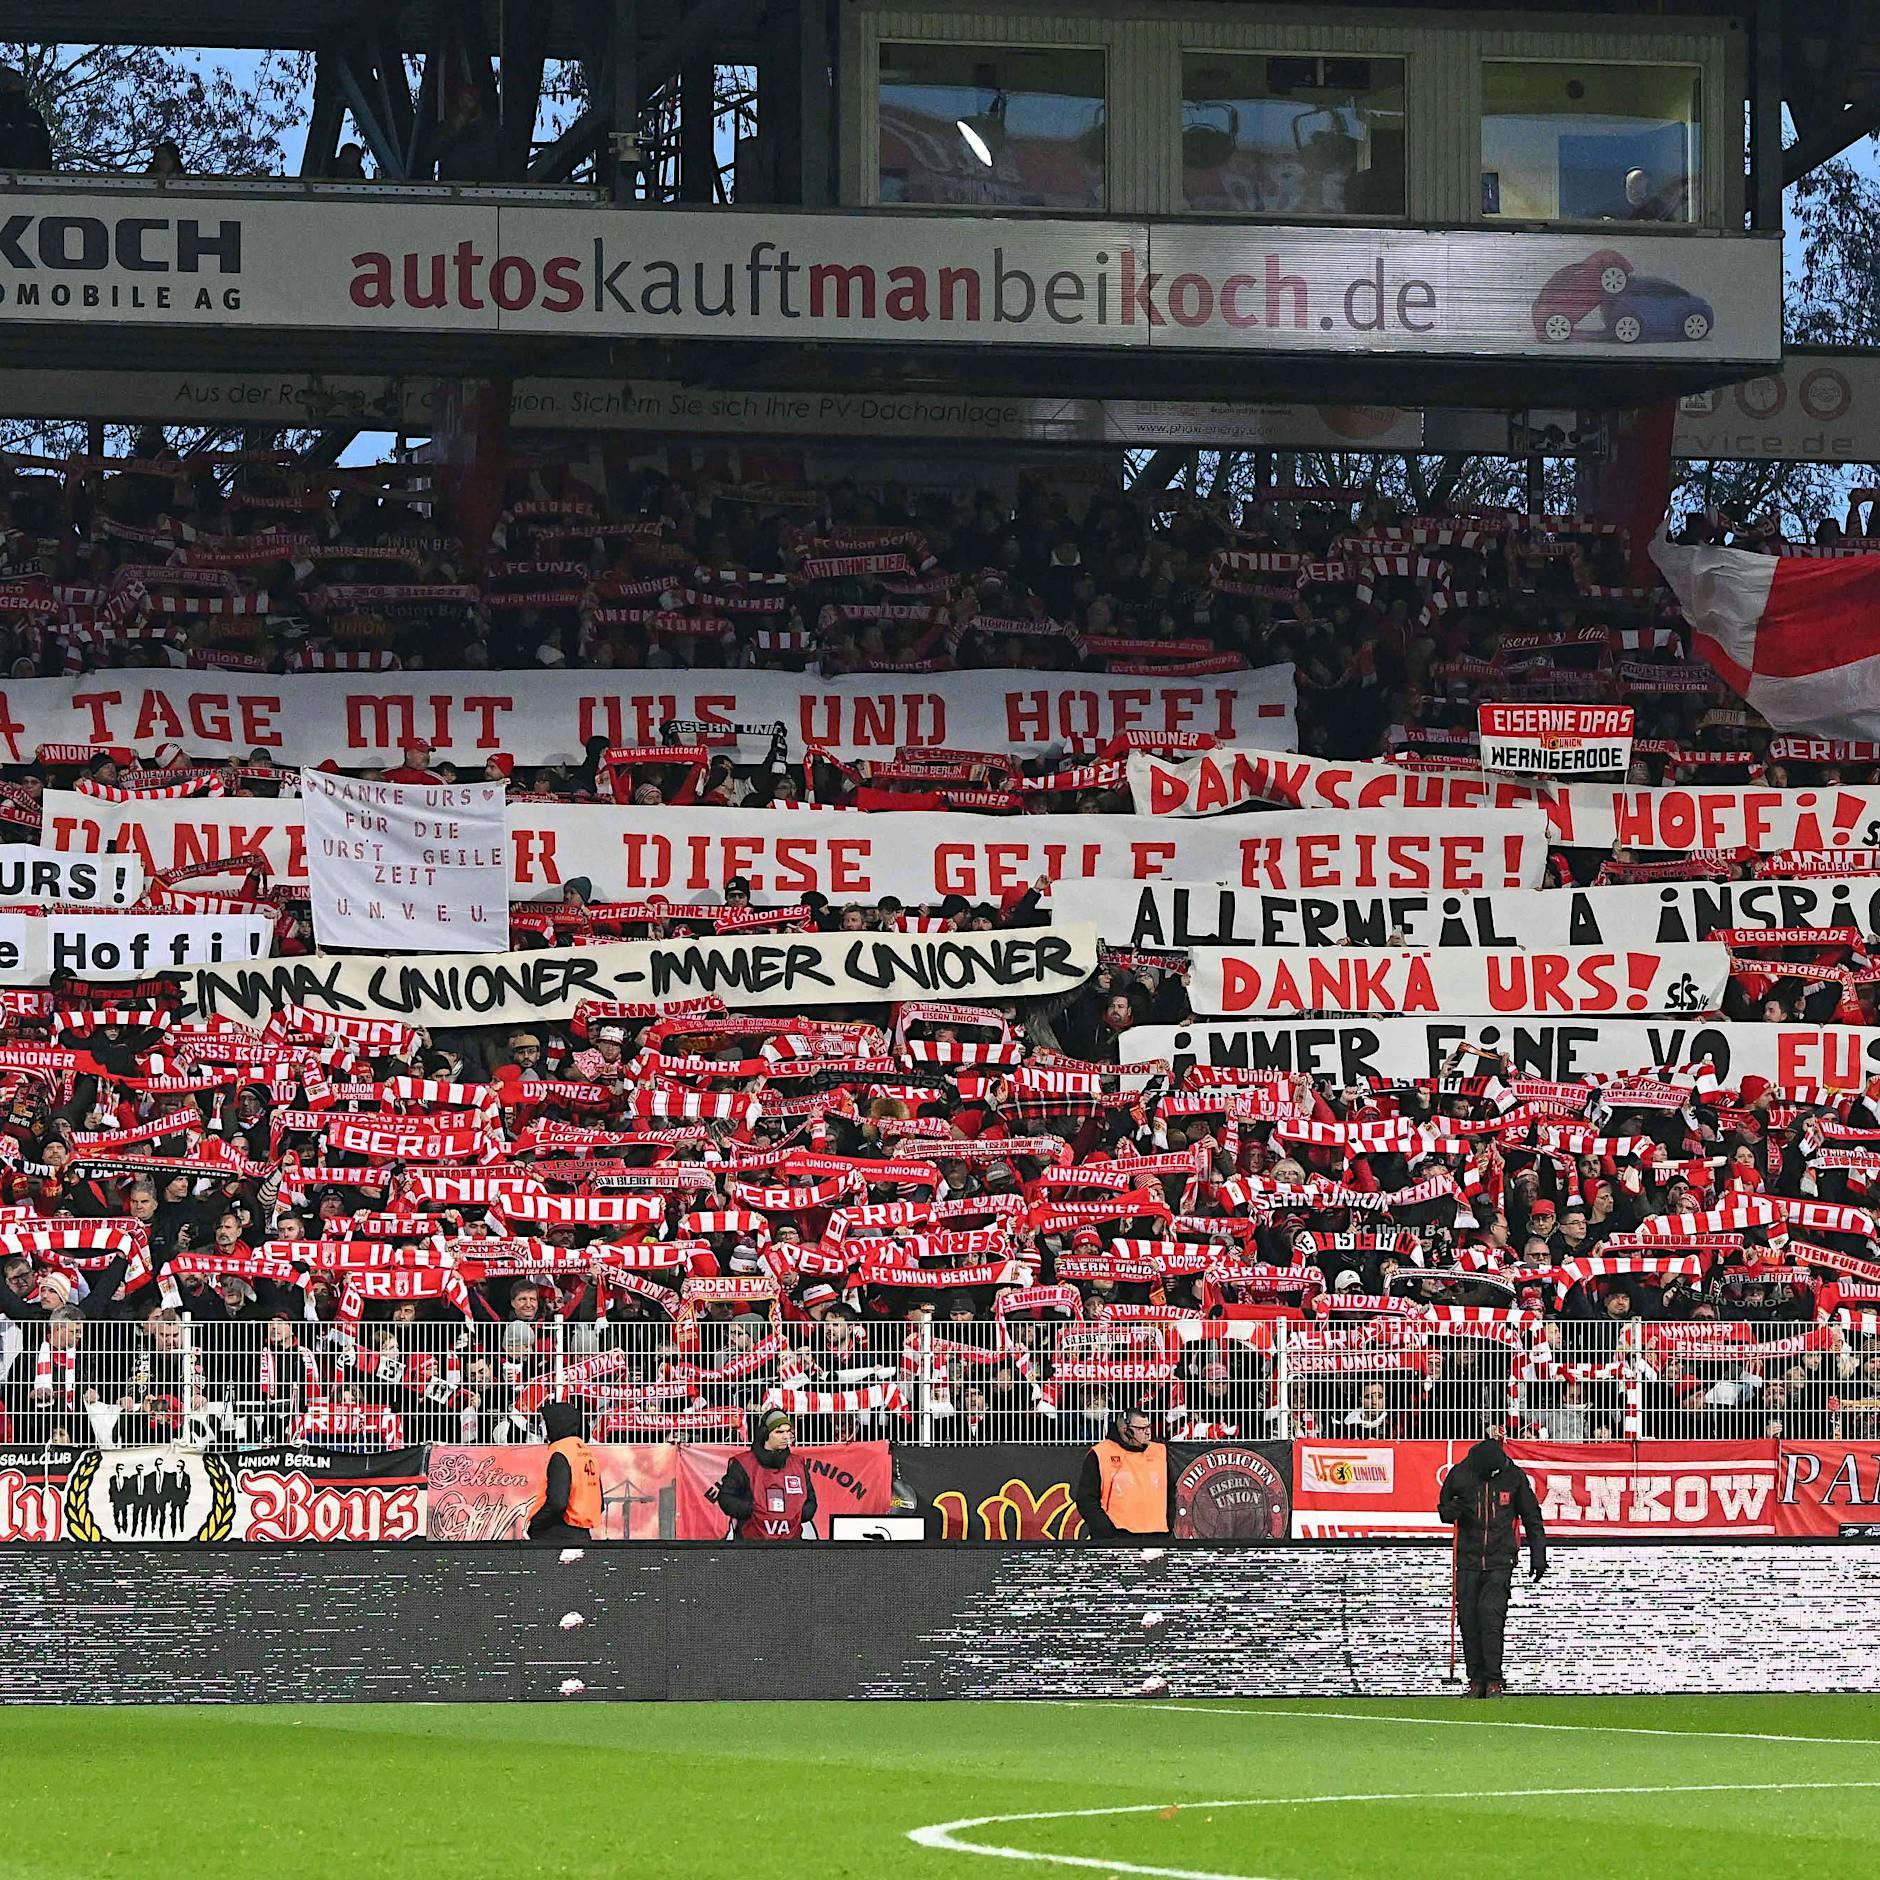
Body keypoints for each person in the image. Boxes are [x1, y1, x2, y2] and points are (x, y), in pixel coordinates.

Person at [1437, 1435, 1547, 1698]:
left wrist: (1538, 1554)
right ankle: (1475, 1679)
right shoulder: (1460, 1475)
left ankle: (1494, 1680)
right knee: (1469, 1619)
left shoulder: (1514, 1476)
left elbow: (1532, 1517)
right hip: (1468, 1560)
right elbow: (1443, 1511)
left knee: (1491, 1616)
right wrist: (1451, 1511)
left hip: (1500, 1559)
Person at [715, 1410, 818, 1540]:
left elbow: (811, 1500)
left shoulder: (798, 1463)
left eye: (788, 1431)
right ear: (765, 1434)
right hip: (751, 1546)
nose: (786, 1437)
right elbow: (726, 1498)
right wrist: (752, 1511)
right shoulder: (742, 1464)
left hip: (792, 1545)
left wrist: (797, 1514)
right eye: (779, 1432)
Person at [1073, 1405, 1170, 1540]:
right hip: (1117, 1537)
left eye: (1148, 1427)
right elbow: (1086, 1499)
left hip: (1158, 1536)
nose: (1148, 1432)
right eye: (1142, 1429)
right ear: (1126, 1430)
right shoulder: (1100, 1454)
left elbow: (1174, 1492)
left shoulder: (1161, 1451)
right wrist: (1106, 1533)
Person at [527, 1400, 602, 1543]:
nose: (542, 1426)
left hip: (555, 1534)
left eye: (544, 1422)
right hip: (582, 1534)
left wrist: (536, 1524)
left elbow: (557, 1502)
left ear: (555, 1424)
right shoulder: (587, 1453)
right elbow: (600, 1503)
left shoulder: (560, 1452)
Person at [0, 66, 51, 172]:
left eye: (17, 82)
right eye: (10, 82)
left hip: (34, 180)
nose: (16, 86)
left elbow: (45, 150)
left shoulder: (33, 117)